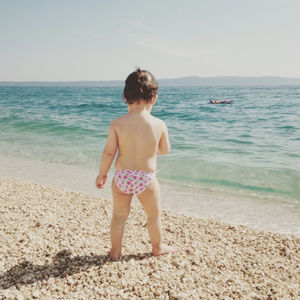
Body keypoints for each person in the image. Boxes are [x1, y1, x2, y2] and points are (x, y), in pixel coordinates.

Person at [96, 68, 175, 260]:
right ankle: (157, 247)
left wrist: (102, 174)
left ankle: (115, 252)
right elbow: (165, 150)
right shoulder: (158, 124)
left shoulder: (117, 123)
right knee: (153, 216)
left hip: (122, 177)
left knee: (119, 216)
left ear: (125, 97)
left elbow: (109, 152)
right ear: (154, 97)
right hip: (146, 179)